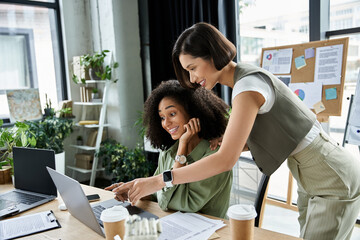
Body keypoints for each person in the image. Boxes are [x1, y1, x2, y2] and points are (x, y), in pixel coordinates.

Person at [112, 23, 360, 239]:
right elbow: (262, 136)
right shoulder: (244, 82)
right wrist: (141, 183)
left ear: (213, 55)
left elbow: (225, 160)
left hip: (328, 174)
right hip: (311, 175)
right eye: (187, 71)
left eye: (193, 67)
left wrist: (158, 181)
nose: (191, 77)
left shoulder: (248, 86)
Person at [106, 80, 232, 218]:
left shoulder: (214, 155)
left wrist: (183, 146)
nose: (166, 123)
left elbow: (173, 202)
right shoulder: (169, 152)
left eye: (172, 114)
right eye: (161, 117)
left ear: (193, 112)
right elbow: (157, 193)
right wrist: (135, 189)